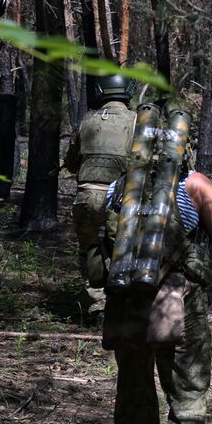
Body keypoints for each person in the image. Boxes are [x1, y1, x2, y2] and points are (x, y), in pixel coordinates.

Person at [98, 110, 212, 424]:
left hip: (126, 302)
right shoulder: (195, 184)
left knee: (134, 391)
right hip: (180, 302)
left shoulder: (120, 185)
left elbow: (103, 237)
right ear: (183, 145)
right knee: (188, 397)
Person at [64, 74, 137, 314]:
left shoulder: (87, 121)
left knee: (90, 249)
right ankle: (123, 302)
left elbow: (72, 162)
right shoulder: (136, 121)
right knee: (124, 249)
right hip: (121, 200)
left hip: (87, 197)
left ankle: (97, 304)